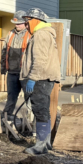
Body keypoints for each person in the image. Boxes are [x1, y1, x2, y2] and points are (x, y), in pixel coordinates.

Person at [20, 8, 61, 155]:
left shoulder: (41, 35)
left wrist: (32, 78)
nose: (26, 24)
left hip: (41, 79)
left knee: (40, 110)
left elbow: (39, 60)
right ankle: (46, 143)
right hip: (44, 78)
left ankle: (41, 146)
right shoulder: (44, 34)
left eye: (27, 21)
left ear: (36, 20)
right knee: (43, 110)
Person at [0, 11, 31, 136]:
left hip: (25, 73)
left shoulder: (30, 35)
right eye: (15, 23)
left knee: (29, 99)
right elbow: (4, 51)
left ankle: (29, 124)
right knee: (11, 98)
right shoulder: (10, 34)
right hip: (12, 72)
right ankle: (5, 121)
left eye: (19, 24)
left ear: (25, 23)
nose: (16, 26)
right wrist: (3, 67)